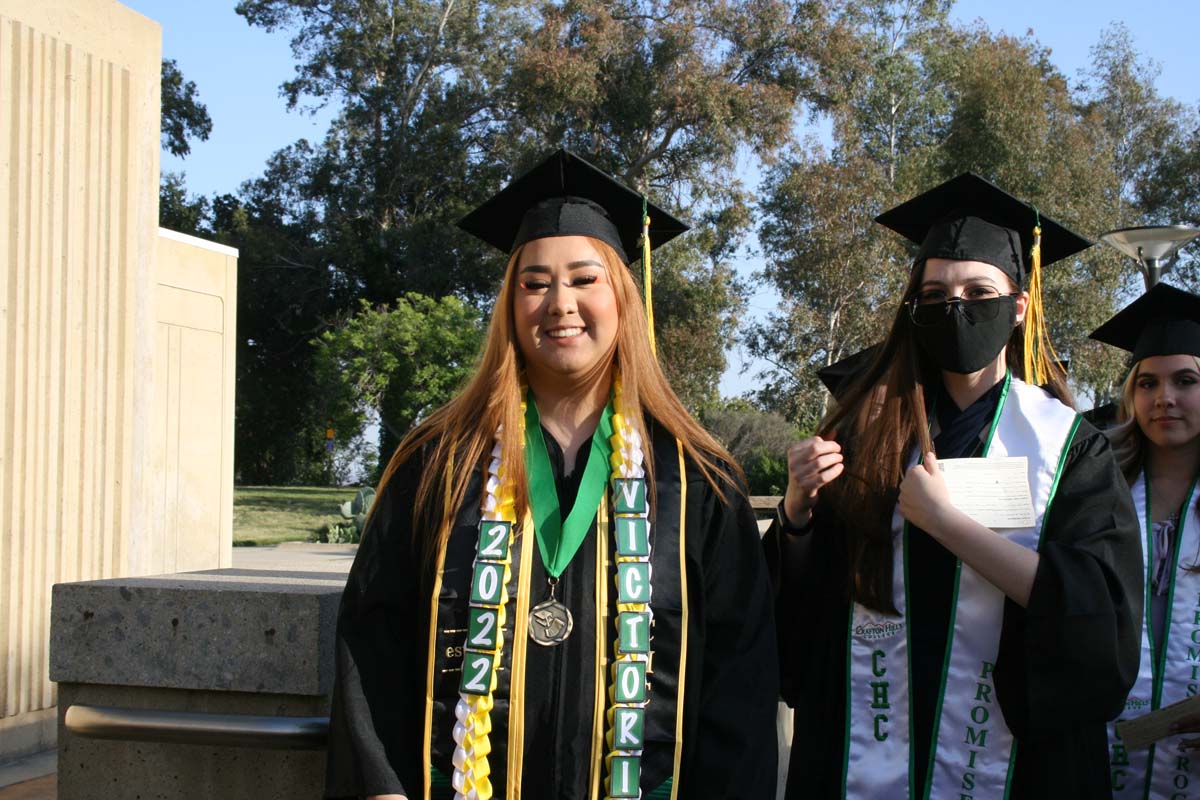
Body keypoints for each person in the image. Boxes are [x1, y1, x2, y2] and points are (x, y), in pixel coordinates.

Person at [323, 149, 778, 800]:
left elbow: (741, 685)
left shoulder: (698, 480)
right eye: (534, 283)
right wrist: (384, 787)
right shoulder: (437, 465)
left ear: (623, 297)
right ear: (510, 303)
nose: (559, 303)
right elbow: (372, 642)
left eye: (584, 279)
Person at [765, 172, 1143, 799]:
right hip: (868, 737)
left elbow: (1097, 616)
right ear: (914, 308)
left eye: (978, 290)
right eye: (935, 293)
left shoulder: (1071, 446)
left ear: (1018, 306)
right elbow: (805, 613)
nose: (956, 306)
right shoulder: (862, 435)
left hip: (1013, 757)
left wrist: (947, 524)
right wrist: (798, 513)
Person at [1090, 283, 1200, 799]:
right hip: (1097, 741)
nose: (1165, 399)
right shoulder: (1090, 489)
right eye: (1148, 383)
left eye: (1186, 381)